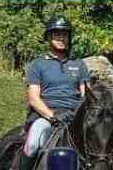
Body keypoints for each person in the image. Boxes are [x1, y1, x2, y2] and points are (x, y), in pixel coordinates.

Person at [23, 15, 90, 160]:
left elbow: (86, 96)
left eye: (64, 34)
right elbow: (33, 99)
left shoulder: (79, 64)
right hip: (45, 117)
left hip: (74, 116)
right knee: (33, 144)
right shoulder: (37, 65)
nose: (61, 38)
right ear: (49, 37)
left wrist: (76, 114)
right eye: (57, 34)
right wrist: (53, 116)